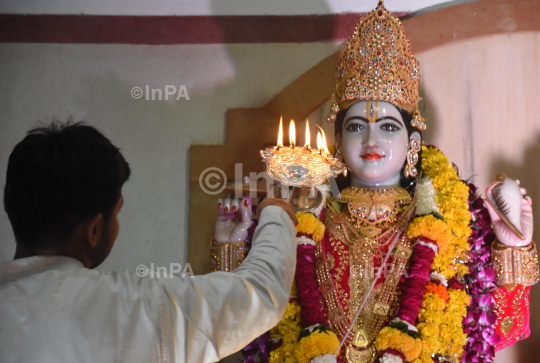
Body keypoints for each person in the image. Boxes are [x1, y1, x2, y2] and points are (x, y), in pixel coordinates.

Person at [212, 2, 539, 363]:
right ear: (338, 140)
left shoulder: (455, 218)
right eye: (356, 127)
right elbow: (240, 329)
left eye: (388, 126)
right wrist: (231, 250)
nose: (371, 140)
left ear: (412, 144)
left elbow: (503, 329)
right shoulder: (296, 216)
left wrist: (513, 249)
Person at [0, 121, 299, 363]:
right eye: (116, 213)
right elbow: (261, 294)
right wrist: (277, 210)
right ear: (94, 231)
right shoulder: (136, 310)